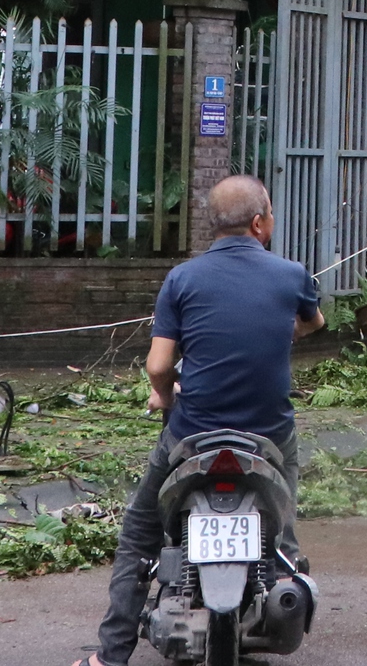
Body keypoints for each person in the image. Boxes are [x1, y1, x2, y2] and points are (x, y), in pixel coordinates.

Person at [74, 175, 324, 666]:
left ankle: (110, 657)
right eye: (269, 214)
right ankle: (283, 572)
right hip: (268, 435)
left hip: (192, 435)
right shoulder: (291, 274)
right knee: (283, 513)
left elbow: (159, 365)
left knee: (139, 537)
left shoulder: (183, 279)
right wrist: (279, 331)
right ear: (259, 222)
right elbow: (314, 323)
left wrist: (164, 397)